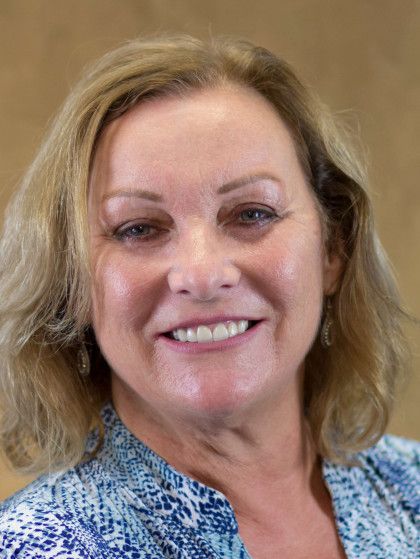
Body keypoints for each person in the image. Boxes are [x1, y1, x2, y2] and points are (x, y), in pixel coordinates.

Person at [0, 34, 418, 559]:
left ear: (332, 250)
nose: (201, 275)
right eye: (138, 228)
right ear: (73, 283)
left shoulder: (411, 488)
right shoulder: (37, 546)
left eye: (252, 214)